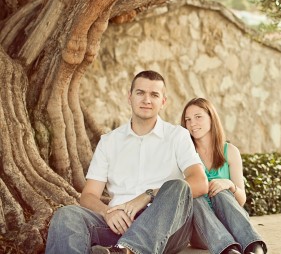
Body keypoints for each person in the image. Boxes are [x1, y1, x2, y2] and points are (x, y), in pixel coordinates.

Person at [46, 70, 208, 254]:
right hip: (120, 224)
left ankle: (129, 250)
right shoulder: (109, 141)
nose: (147, 100)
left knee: (178, 186)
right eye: (140, 93)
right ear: (129, 97)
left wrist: (148, 195)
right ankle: (123, 249)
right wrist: (107, 212)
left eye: (154, 95)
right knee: (67, 215)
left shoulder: (178, 136)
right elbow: (89, 195)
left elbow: (200, 183)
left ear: (163, 102)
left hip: (166, 228)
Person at [182, 98, 267, 254]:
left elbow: (241, 200)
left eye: (198, 116)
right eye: (188, 119)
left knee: (220, 189)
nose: (192, 123)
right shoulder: (185, 154)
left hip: (231, 225)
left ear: (211, 118)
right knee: (195, 195)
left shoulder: (230, 151)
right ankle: (227, 250)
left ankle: (253, 246)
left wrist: (229, 185)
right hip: (201, 231)